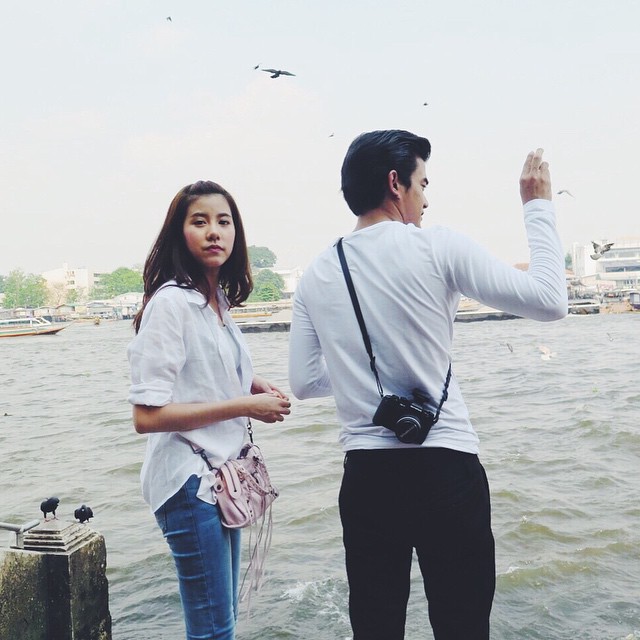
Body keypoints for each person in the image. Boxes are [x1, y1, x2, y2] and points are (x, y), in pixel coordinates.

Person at [288, 130, 567, 640]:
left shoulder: (316, 273)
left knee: (376, 627)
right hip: (446, 468)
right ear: (395, 183)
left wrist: (359, 383)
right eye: (423, 183)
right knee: (462, 626)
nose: (426, 198)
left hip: (367, 476)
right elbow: (550, 300)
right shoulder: (438, 246)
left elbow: (304, 383)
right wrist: (537, 206)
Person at [127, 180, 291, 640]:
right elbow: (147, 417)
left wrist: (250, 380)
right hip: (188, 482)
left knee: (223, 623)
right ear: (179, 234)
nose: (214, 231)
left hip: (218, 476)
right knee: (215, 630)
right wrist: (246, 405)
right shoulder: (171, 303)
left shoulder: (215, 302)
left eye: (224, 221)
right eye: (199, 222)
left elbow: (198, 369)